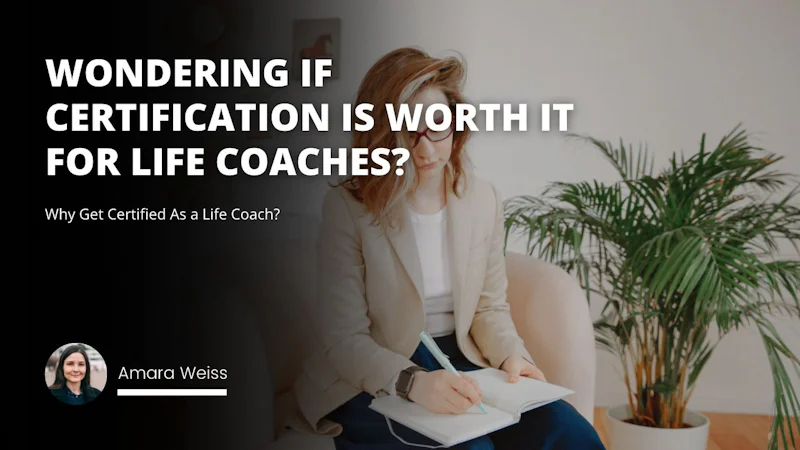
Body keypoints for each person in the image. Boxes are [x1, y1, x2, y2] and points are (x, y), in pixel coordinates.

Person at [291, 47, 606, 449]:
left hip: (462, 361)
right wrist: (413, 382)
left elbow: (489, 307)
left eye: (437, 125)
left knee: (574, 435)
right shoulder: (347, 207)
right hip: (375, 373)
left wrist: (514, 357)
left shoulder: (483, 199)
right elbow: (344, 338)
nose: (425, 149)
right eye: (408, 131)